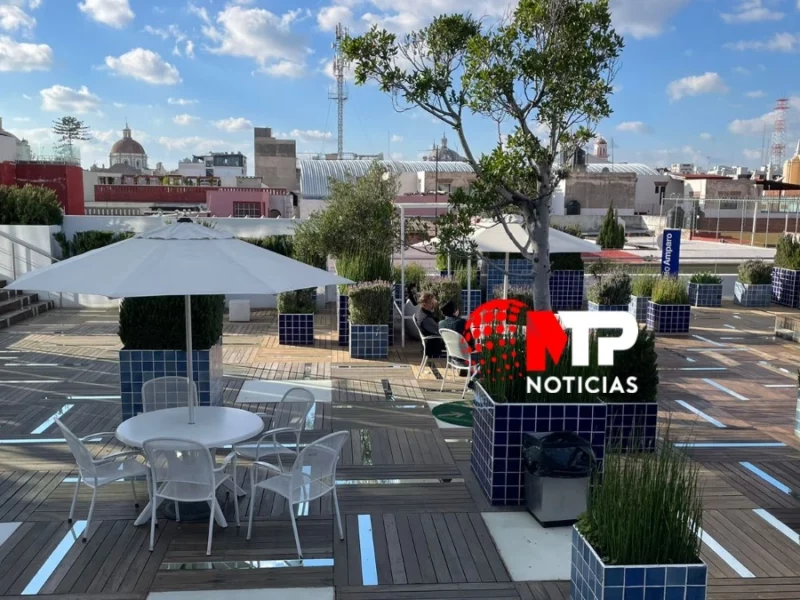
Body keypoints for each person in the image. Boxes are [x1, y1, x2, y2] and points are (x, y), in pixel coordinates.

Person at [414, 291, 445, 356]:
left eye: (434, 303)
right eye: (431, 303)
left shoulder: (421, 312)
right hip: (434, 347)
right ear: (424, 304)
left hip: (430, 344)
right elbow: (439, 331)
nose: (433, 305)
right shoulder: (426, 318)